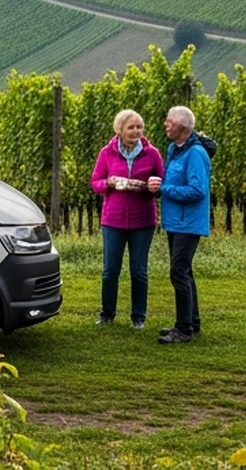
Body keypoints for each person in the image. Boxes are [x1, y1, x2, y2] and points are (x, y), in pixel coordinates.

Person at [89, 109, 163, 328]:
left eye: (139, 127)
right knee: (110, 270)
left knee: (139, 271)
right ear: (120, 129)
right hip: (113, 220)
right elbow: (96, 183)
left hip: (143, 220)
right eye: (131, 127)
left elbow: (162, 181)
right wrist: (109, 183)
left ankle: (138, 317)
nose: (136, 131)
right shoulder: (106, 153)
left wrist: (154, 185)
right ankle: (107, 314)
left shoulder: (152, 154)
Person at [149, 104, 210, 344]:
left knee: (178, 272)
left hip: (188, 223)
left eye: (170, 121)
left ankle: (184, 329)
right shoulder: (175, 149)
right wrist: (159, 185)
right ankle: (192, 322)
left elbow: (197, 190)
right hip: (176, 222)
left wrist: (164, 189)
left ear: (183, 127)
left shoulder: (195, 154)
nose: (166, 124)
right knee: (184, 271)